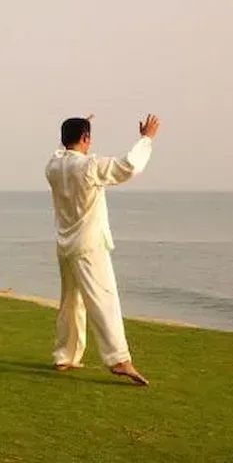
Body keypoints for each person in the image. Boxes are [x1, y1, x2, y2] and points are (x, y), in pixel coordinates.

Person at [45, 114, 161, 385]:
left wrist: (76, 129)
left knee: (71, 301)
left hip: (65, 245)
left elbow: (63, 154)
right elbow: (128, 166)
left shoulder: (53, 166)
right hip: (89, 246)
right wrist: (146, 139)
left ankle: (65, 355)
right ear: (85, 138)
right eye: (88, 137)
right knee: (104, 299)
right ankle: (119, 359)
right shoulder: (89, 166)